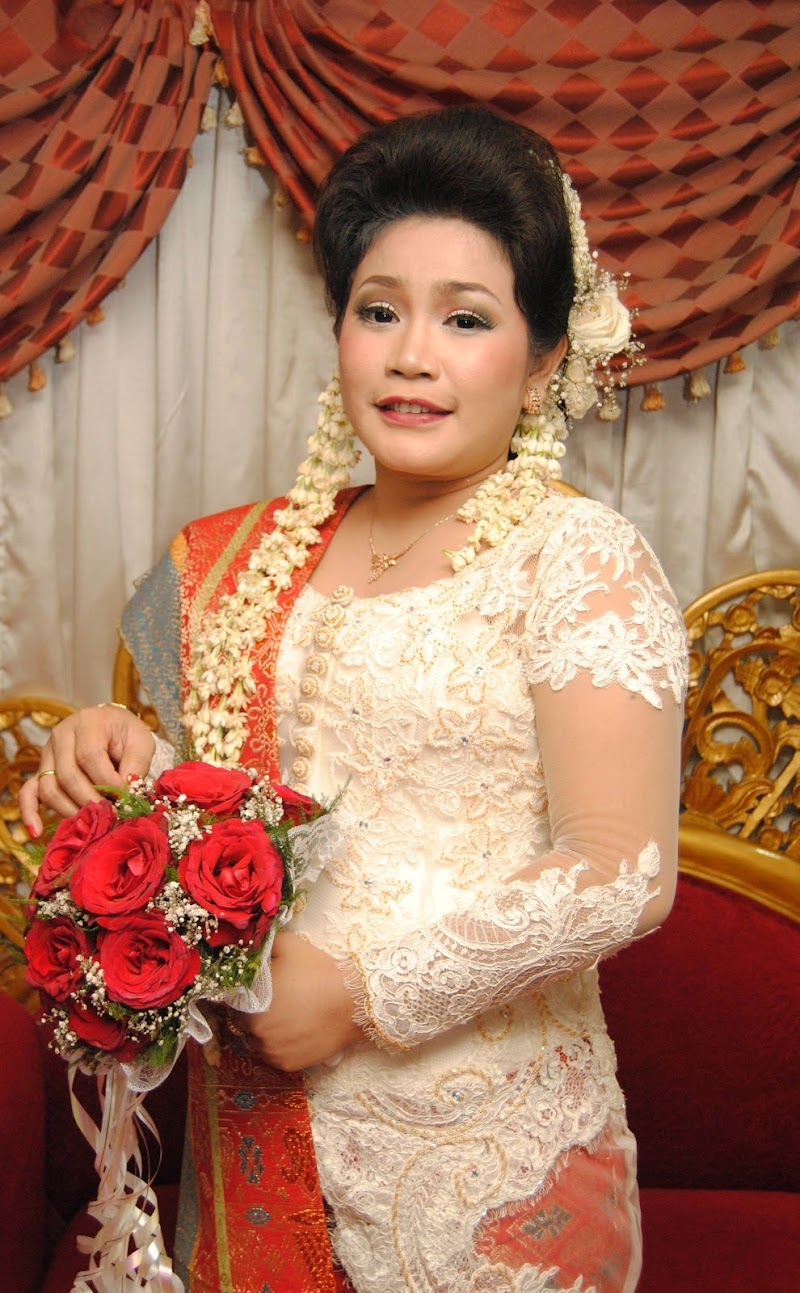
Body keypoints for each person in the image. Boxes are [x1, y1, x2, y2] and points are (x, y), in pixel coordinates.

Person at [21, 106, 688, 1293]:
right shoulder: (238, 562)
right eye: (379, 310)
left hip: (487, 1167)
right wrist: (119, 753)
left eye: (465, 319)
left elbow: (619, 869)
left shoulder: (577, 560)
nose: (411, 355)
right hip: (256, 1135)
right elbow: (223, 813)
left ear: (543, 358)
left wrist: (361, 997)